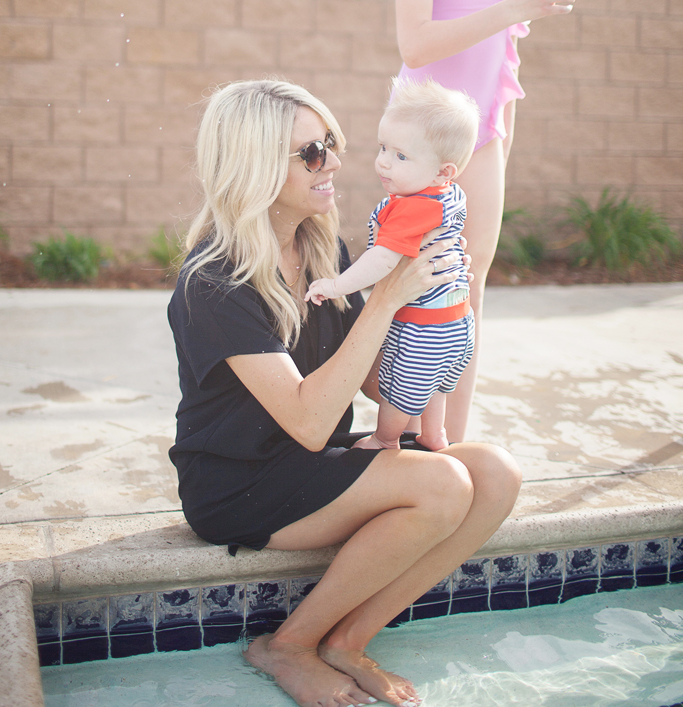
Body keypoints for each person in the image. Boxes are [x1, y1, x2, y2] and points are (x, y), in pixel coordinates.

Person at [168, 78, 521, 707]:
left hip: (312, 459)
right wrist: (386, 299)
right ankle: (286, 646)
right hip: (241, 482)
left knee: (493, 473)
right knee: (440, 485)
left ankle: (349, 640)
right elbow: (307, 421)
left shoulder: (318, 245)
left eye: (329, 143)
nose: (332, 160)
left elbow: (362, 373)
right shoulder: (214, 282)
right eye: (309, 153)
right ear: (253, 164)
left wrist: (437, 321)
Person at [395, 0, 575, 443]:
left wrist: (498, 149)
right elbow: (415, 46)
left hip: (482, 139)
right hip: (420, 133)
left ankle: (448, 445)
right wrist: (513, 9)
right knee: (416, 284)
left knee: (467, 291)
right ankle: (402, 438)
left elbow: (502, 66)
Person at [305, 78, 479, 452]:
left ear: (442, 172)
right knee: (434, 384)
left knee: (404, 387)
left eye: (401, 156)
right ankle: (434, 435)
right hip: (458, 324)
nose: (383, 161)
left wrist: (336, 286)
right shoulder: (448, 194)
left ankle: (385, 439)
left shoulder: (412, 208)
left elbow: (382, 260)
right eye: (384, 148)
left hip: (425, 328)